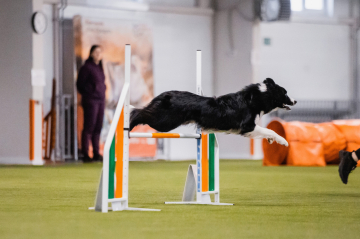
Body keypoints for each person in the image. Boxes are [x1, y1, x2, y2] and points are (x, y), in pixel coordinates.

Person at [76, 45, 105, 163]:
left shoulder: (100, 68)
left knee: (98, 127)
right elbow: (79, 84)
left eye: (100, 52)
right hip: (91, 100)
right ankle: (85, 153)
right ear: (91, 53)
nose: (98, 54)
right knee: (89, 126)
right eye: (96, 52)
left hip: (100, 100)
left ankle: (96, 153)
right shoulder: (86, 67)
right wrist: (89, 93)